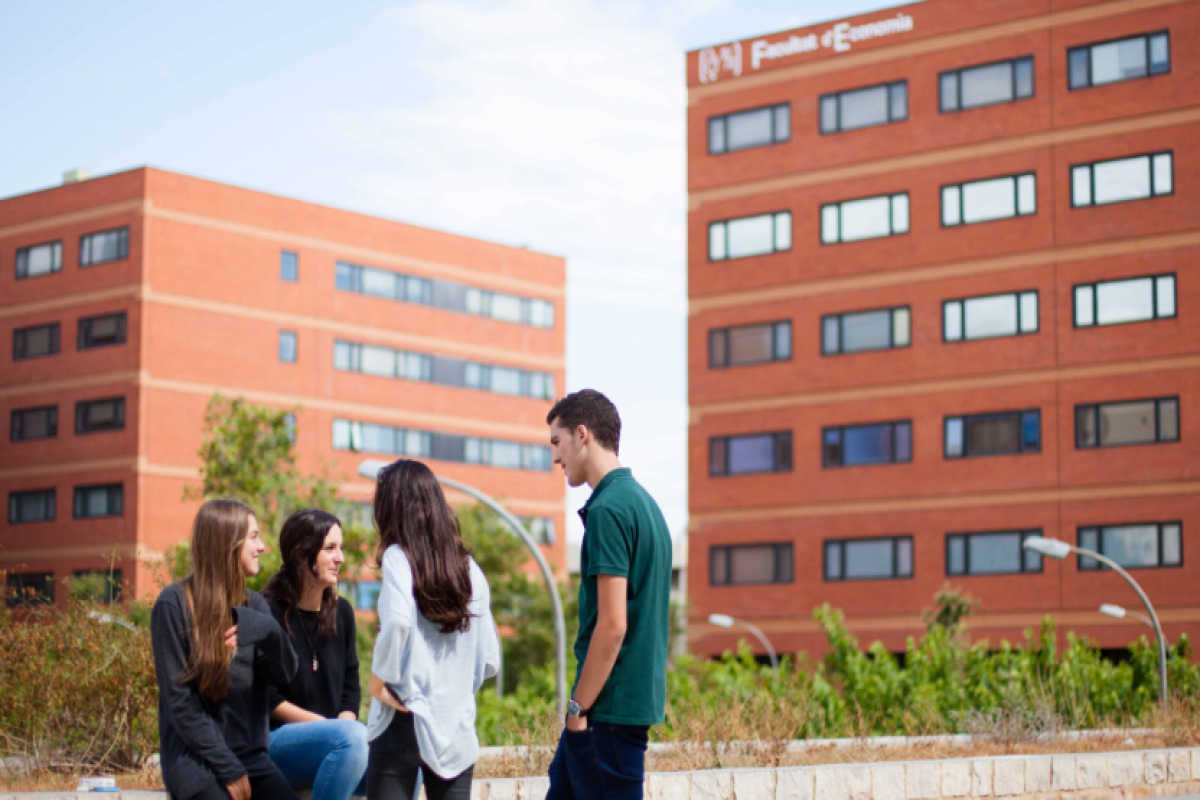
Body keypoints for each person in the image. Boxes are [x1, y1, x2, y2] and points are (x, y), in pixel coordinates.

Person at [544, 389, 672, 800]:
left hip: (605, 712)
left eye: (557, 442)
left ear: (582, 434)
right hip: (618, 709)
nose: (555, 457)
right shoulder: (645, 504)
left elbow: (614, 624)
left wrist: (578, 709)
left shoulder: (608, 509)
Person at [365, 459, 500, 800]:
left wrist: (379, 681)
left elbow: (396, 621)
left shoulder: (398, 557)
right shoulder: (471, 570)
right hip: (454, 727)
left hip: (401, 717)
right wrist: (452, 687)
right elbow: (490, 661)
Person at [151, 498, 300, 800]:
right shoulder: (174, 604)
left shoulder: (255, 605)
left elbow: (285, 675)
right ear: (228, 544)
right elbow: (180, 704)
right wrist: (229, 768)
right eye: (254, 537)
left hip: (252, 760)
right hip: (196, 762)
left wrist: (272, 634)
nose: (262, 547)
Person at [262, 509, 367, 800]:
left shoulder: (342, 612)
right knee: (352, 739)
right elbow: (268, 699)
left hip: (339, 745)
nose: (340, 558)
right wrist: (332, 728)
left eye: (340, 548)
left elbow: (350, 688)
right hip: (277, 742)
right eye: (330, 548)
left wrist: (342, 725)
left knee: (404, 755)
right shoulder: (265, 611)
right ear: (300, 554)